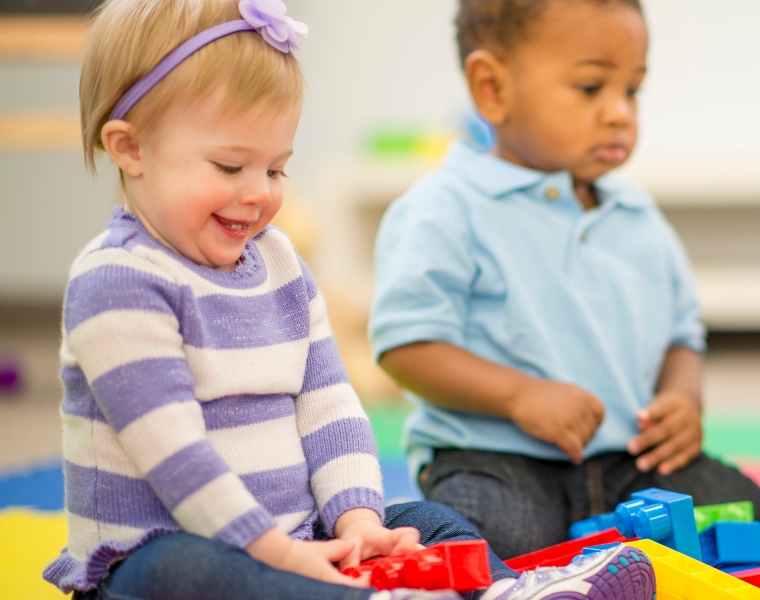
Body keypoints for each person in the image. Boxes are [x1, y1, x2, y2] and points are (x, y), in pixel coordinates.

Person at [46, 1, 654, 599]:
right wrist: (283, 556)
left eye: (277, 170)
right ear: (130, 148)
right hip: (162, 558)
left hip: (299, 538)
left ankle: (508, 591)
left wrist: (357, 523)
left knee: (424, 519)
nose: (257, 194)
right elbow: (175, 458)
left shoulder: (280, 265)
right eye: (230, 166)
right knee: (178, 567)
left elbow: (329, 406)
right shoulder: (117, 282)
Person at [369, 0, 760, 559]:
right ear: (492, 88)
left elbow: (681, 337)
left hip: (632, 463)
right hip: (498, 460)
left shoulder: (637, 215)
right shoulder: (443, 208)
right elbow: (406, 347)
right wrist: (520, 396)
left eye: (632, 89)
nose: (619, 112)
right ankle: (395, 526)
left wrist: (683, 402)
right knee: (488, 544)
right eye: (591, 88)